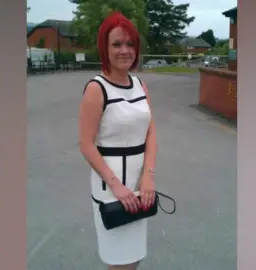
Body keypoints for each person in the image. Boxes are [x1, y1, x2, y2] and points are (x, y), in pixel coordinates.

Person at [78, 11, 157, 270]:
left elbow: (150, 132)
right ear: (105, 48)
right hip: (111, 188)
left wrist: (147, 176)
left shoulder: (140, 84)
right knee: (118, 260)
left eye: (130, 44)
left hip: (138, 185)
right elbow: (86, 144)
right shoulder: (96, 88)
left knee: (133, 258)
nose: (125, 50)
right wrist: (117, 186)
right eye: (116, 44)